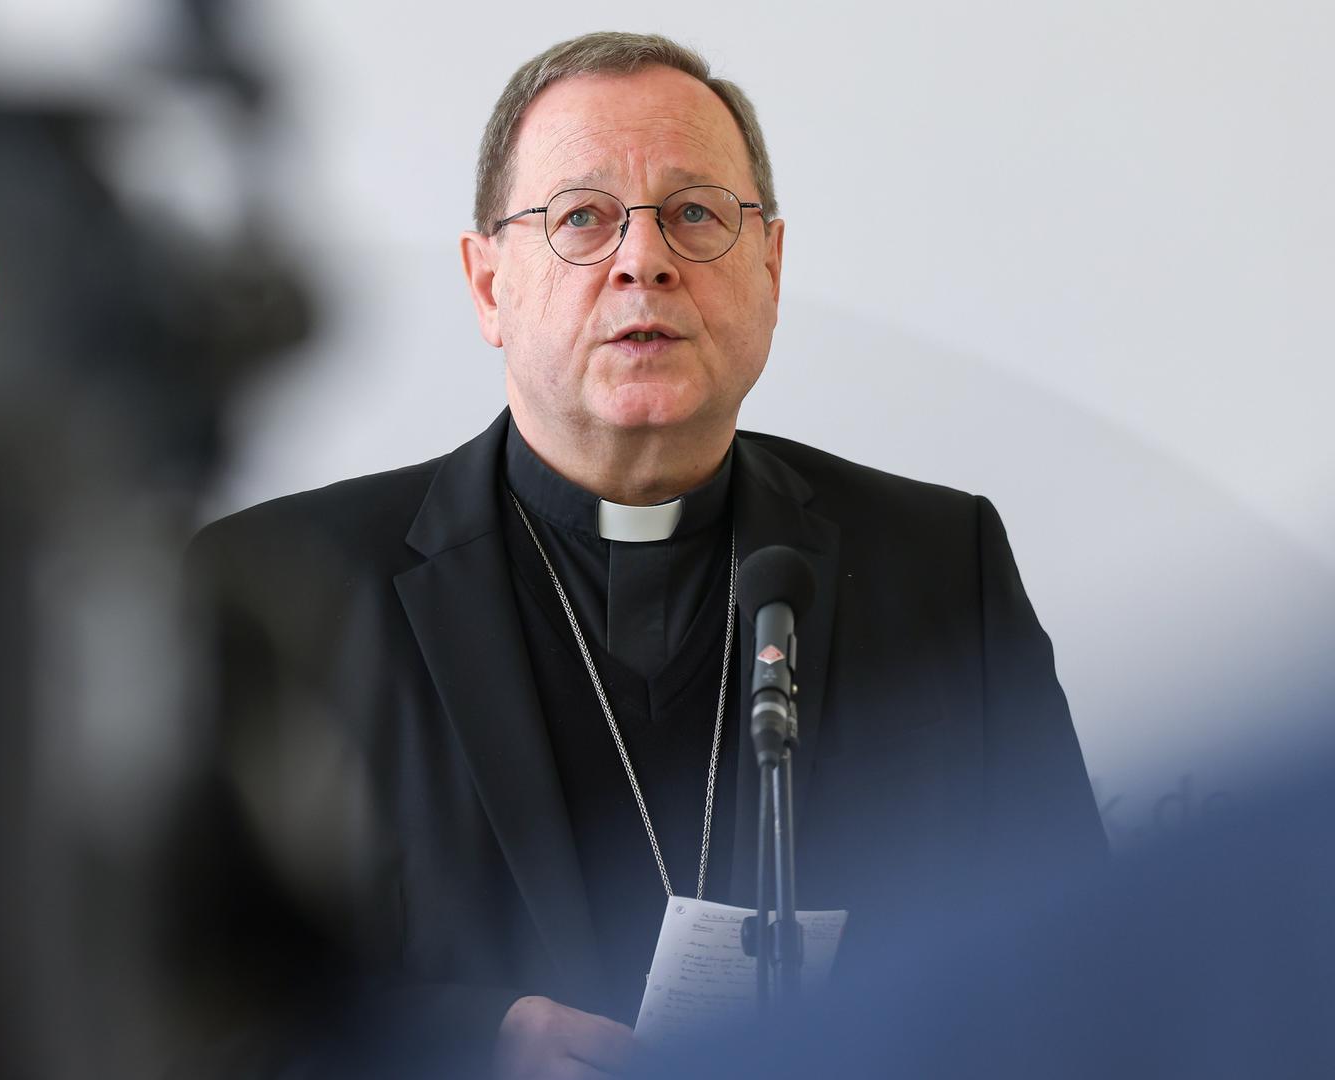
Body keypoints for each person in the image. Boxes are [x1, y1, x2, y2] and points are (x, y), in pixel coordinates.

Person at [185, 30, 1106, 1079]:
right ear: (488, 285)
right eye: (582, 218)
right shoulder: (278, 587)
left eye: (695, 215)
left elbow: (1082, 974)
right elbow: (162, 1016)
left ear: (769, 265)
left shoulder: (944, 568)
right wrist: (459, 1052)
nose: (644, 259)